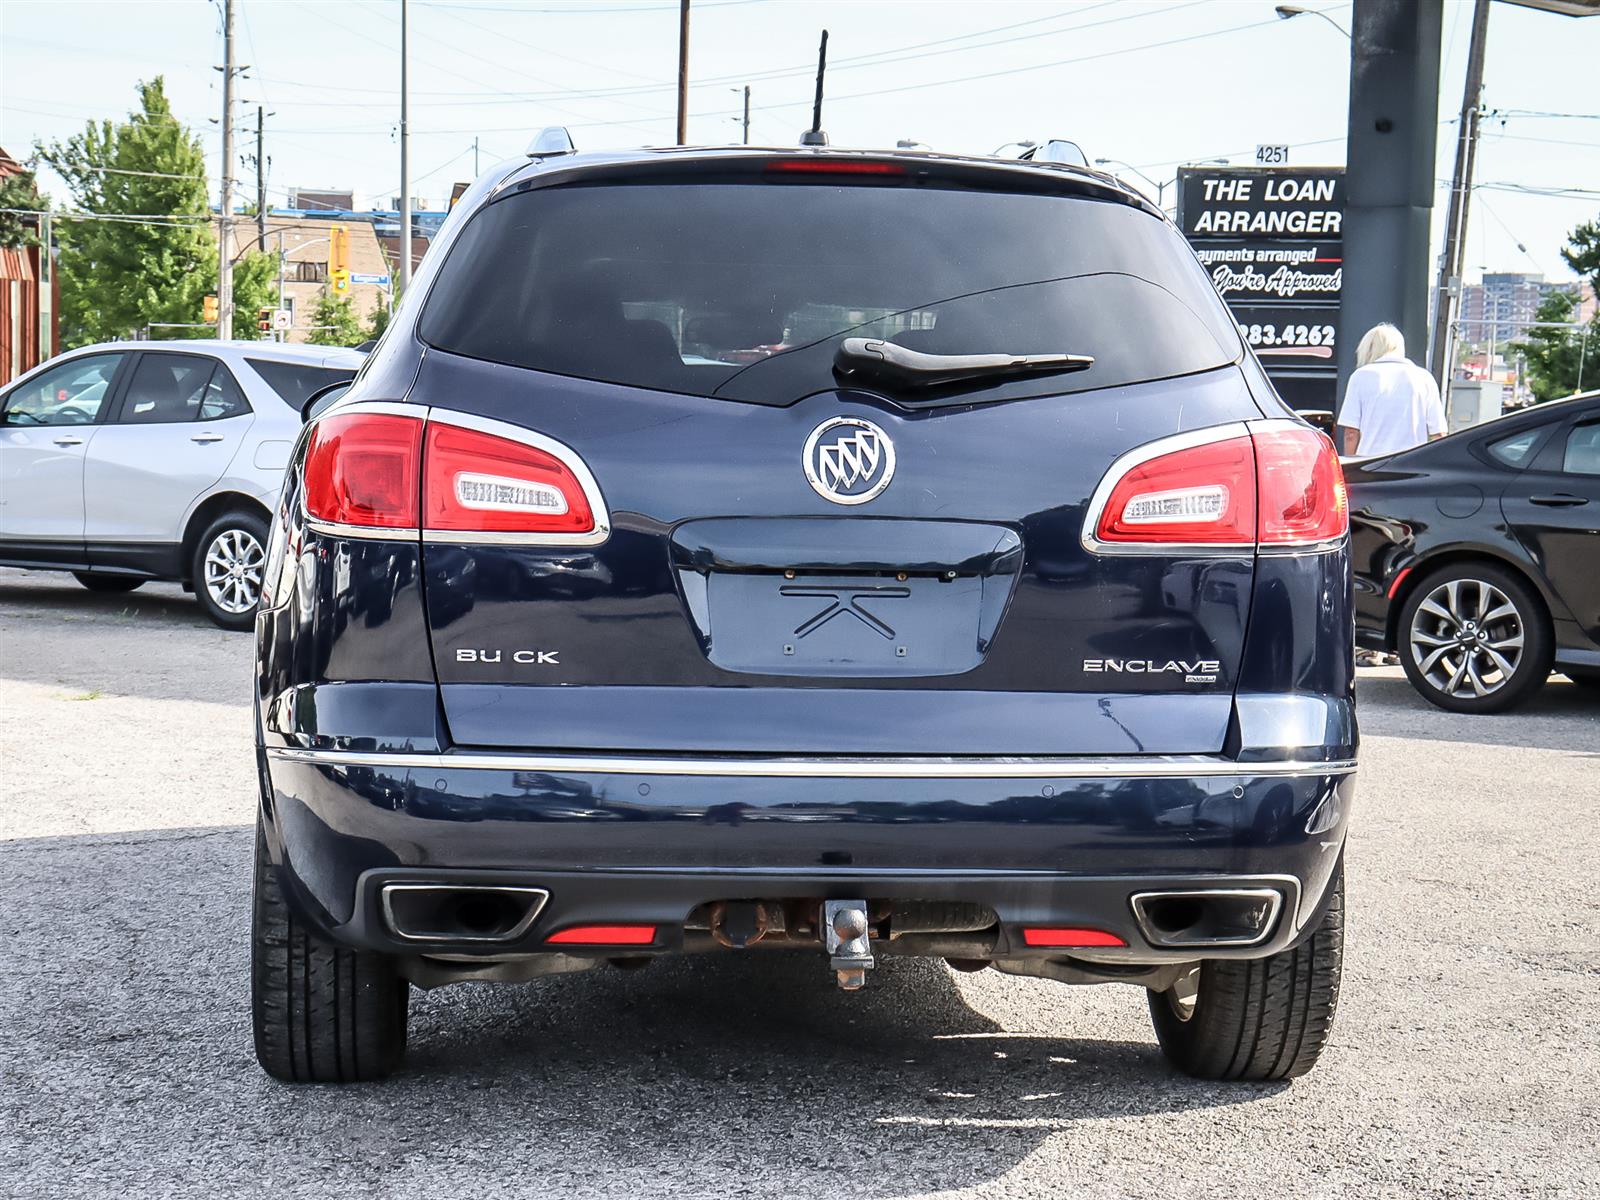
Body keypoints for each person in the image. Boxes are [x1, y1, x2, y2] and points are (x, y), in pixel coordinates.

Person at [1337, 323, 1447, 457]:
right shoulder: (1424, 378)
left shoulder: (1360, 377)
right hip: (1412, 465)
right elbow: (1439, 434)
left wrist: (1349, 467)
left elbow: (1351, 433)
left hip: (1369, 464)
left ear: (1369, 348)